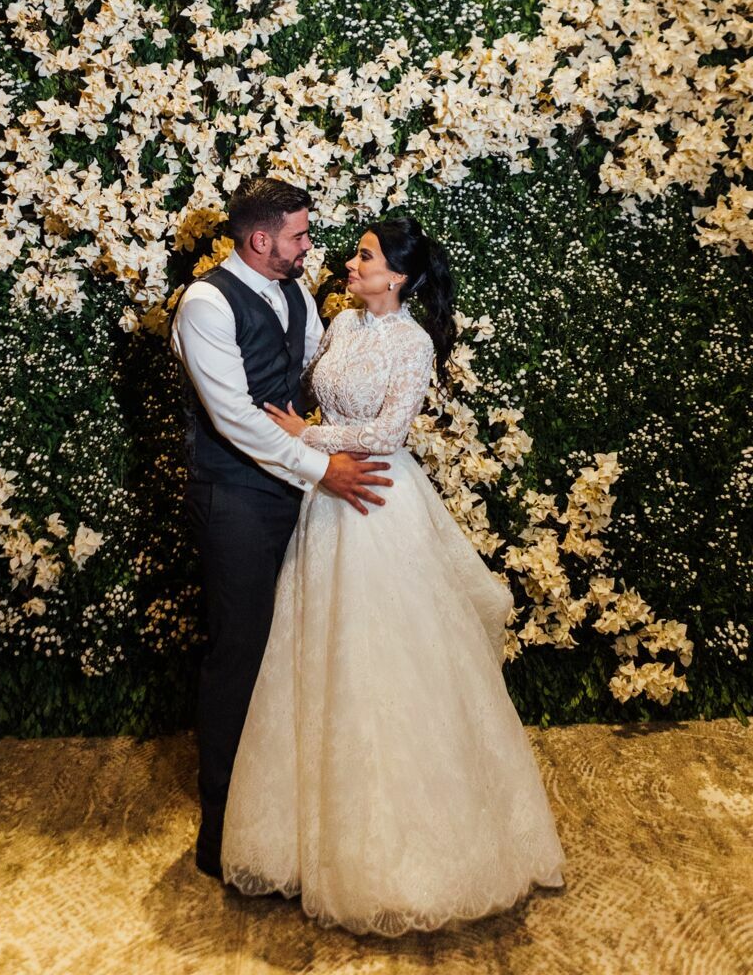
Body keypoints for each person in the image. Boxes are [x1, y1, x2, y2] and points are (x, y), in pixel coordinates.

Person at [219, 212, 568, 935]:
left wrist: (307, 434)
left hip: (380, 499)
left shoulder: (412, 342)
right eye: (355, 254)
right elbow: (313, 388)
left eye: (366, 257)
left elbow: (389, 431)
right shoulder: (341, 324)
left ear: (398, 277)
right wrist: (305, 441)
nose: (350, 264)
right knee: (322, 655)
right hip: (327, 501)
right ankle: (313, 842)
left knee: (392, 662)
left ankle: (412, 855)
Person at [169, 177, 395, 881]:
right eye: (298, 235)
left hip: (298, 492)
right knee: (239, 653)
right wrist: (323, 468)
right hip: (234, 496)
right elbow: (234, 417)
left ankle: (280, 821)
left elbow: (306, 382)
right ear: (260, 239)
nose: (308, 247)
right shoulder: (206, 303)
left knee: (294, 649)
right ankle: (221, 832)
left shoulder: (294, 295)